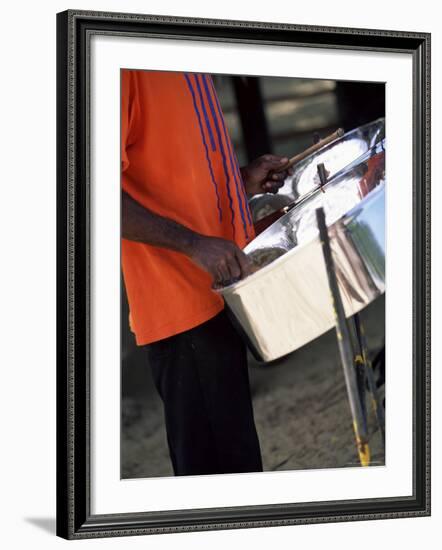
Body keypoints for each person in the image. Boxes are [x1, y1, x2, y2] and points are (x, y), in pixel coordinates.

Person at [121, 69, 291, 476]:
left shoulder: (189, 65)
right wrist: (194, 245)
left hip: (221, 296)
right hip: (180, 312)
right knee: (215, 486)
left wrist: (240, 180)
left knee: (240, 469)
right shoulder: (124, 63)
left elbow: (179, 168)